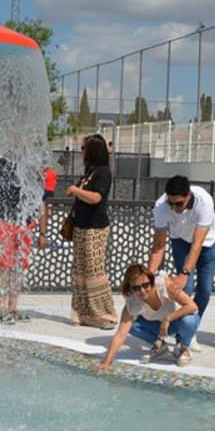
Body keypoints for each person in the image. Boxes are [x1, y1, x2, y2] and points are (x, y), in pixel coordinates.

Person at [147, 175, 215, 351]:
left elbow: (197, 244)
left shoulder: (204, 201)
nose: (174, 208)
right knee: (184, 290)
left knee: (205, 290)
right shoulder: (161, 206)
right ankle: (184, 336)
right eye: (171, 204)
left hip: (207, 243)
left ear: (188, 195)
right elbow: (158, 246)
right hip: (179, 240)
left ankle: (191, 328)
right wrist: (148, 276)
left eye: (179, 204)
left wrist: (184, 274)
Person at [95, 264, 200, 371]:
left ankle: (184, 347)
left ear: (152, 281)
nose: (142, 291)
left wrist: (168, 318)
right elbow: (120, 335)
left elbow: (192, 306)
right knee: (130, 326)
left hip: (177, 322)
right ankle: (160, 345)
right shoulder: (132, 302)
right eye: (136, 288)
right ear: (130, 288)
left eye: (146, 285)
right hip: (158, 327)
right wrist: (106, 362)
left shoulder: (166, 285)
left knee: (189, 320)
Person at [67, 134, 118, 329]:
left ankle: (104, 314)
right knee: (80, 268)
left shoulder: (103, 173)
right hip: (81, 226)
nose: (82, 152)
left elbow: (96, 198)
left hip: (95, 228)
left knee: (94, 268)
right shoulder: (90, 171)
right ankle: (82, 312)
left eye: (84, 148)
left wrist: (76, 190)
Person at [0, 157, 37, 324]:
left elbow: (36, 196)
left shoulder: (26, 165)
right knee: (2, 268)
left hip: (23, 223)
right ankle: (2, 309)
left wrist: (38, 226)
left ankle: (13, 306)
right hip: (1, 222)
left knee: (18, 267)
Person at [37, 163, 57, 249]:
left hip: (47, 191)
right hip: (49, 191)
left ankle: (43, 232)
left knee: (44, 211)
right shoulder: (52, 172)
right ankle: (44, 231)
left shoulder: (45, 173)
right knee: (46, 211)